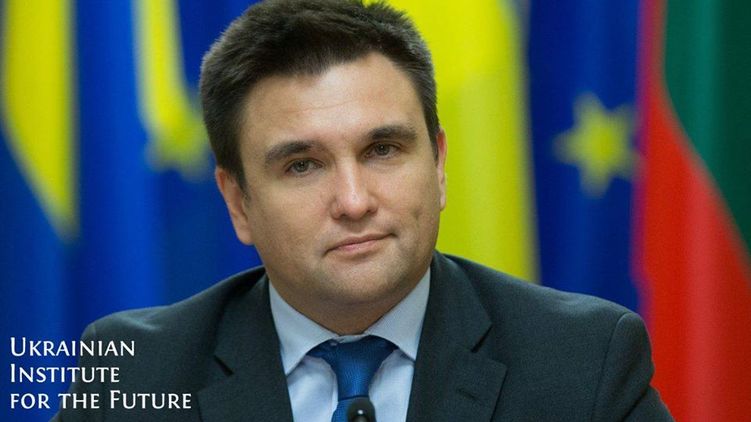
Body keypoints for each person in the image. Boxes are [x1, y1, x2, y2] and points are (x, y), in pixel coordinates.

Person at [55, 0, 672, 420]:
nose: (354, 202)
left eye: (382, 150)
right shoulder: (136, 376)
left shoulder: (582, 362)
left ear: (438, 165)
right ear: (237, 201)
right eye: (302, 165)